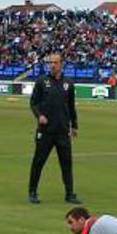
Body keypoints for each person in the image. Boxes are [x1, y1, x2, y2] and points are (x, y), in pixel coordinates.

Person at [27, 52, 79, 205]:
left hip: (62, 131)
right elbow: (33, 103)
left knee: (66, 163)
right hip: (46, 131)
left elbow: (71, 106)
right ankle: (32, 192)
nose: (52, 65)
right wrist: (39, 115)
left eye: (55, 62)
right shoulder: (42, 81)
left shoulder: (68, 83)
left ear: (61, 64)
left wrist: (74, 125)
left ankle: (69, 194)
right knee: (39, 161)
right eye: (50, 63)